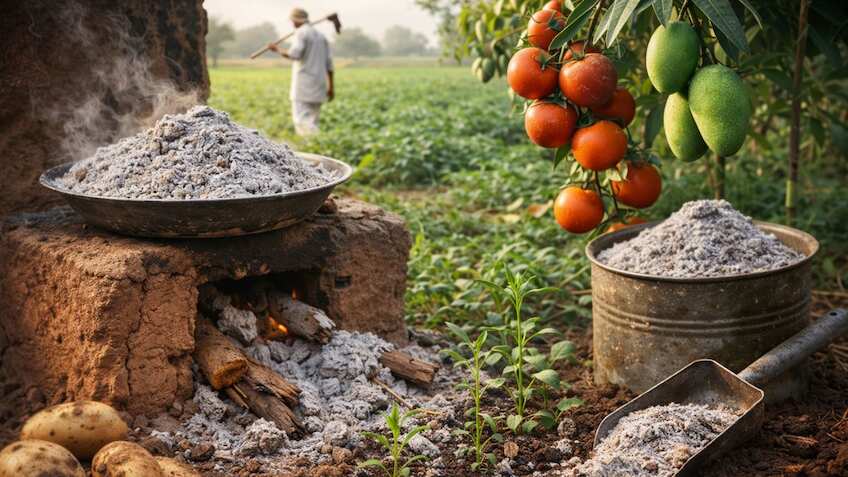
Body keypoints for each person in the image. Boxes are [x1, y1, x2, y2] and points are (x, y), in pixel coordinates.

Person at [267, 8, 334, 136]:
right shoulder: (321, 36)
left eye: (292, 21)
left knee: (302, 121)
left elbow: (294, 54)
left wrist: (277, 49)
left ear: (296, 20)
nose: (292, 24)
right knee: (313, 120)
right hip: (319, 85)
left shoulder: (301, 33)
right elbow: (329, 64)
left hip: (304, 86)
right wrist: (331, 87)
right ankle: (316, 146)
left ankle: (314, 145)